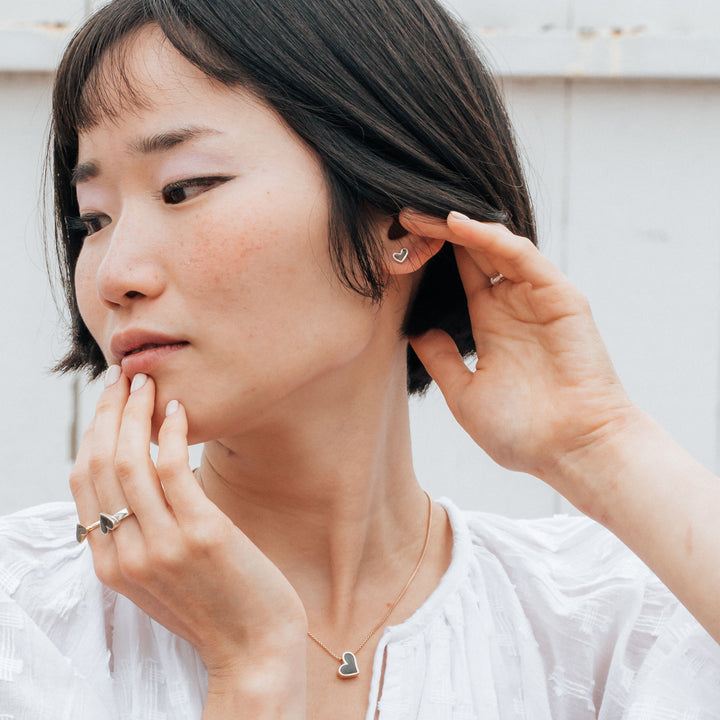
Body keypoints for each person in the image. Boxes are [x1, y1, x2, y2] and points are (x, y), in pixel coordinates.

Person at [1, 0, 719, 717]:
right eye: (90, 219)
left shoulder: (599, 619)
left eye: (182, 189)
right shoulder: (26, 617)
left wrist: (596, 443)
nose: (111, 273)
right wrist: (252, 666)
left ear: (397, 224)